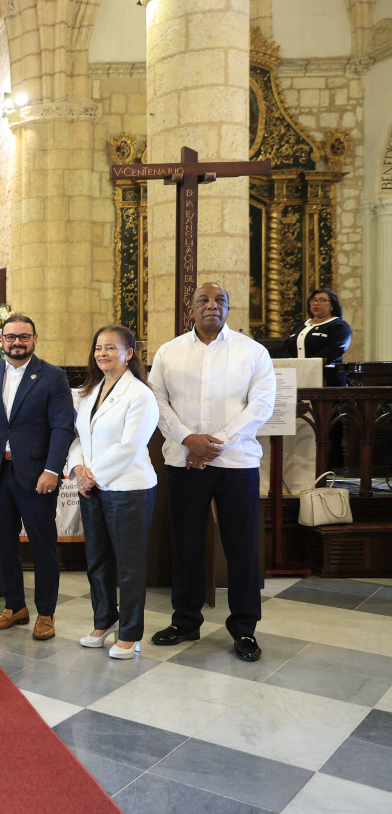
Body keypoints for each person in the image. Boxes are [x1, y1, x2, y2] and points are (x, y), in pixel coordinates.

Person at [149, 282, 275, 662]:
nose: (211, 305)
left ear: (228, 308)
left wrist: (214, 443)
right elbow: (157, 401)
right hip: (184, 461)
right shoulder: (168, 352)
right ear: (190, 309)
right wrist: (189, 439)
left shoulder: (252, 352)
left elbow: (261, 405)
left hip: (237, 462)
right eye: (203, 300)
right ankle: (185, 621)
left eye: (220, 300)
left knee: (242, 547)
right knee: (186, 544)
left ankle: (244, 629)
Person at [0, 315, 73, 641]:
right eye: (11, 337)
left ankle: (46, 613)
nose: (17, 342)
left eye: (23, 337)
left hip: (37, 475)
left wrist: (52, 470)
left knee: (42, 545)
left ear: (34, 339)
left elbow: (62, 427)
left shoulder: (53, 376)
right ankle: (14, 606)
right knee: (4, 543)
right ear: (2, 340)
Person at [66, 325, 159, 660]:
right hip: (92, 487)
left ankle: (130, 633)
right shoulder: (90, 391)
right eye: (98, 348)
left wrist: (93, 476)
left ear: (128, 354)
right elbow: (80, 437)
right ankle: (104, 620)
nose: (102, 353)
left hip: (127, 488)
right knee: (98, 559)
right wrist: (79, 469)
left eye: (110, 347)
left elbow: (130, 446)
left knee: (129, 565)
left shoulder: (140, 394)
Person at [281, 287, 351, 384]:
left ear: (332, 304)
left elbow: (335, 349)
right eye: (313, 300)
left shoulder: (339, 325)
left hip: (326, 377)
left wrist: (307, 365)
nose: (316, 303)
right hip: (296, 376)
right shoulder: (300, 325)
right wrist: (290, 364)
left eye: (322, 300)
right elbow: (286, 348)